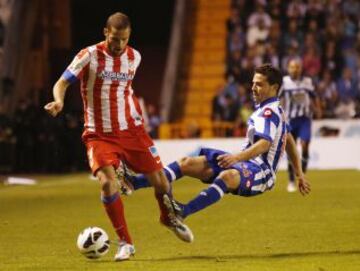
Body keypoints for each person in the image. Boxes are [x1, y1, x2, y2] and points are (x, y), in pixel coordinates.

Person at [44, 12, 193, 261]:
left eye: (124, 39)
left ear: (129, 36)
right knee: (106, 182)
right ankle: (125, 242)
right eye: (114, 39)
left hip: (132, 131)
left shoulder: (135, 57)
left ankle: (168, 218)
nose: (119, 45)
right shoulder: (88, 56)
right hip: (98, 133)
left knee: (162, 183)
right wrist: (58, 100)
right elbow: (62, 82)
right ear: (105, 33)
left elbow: (125, 92)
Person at [119, 64, 311, 222]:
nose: (253, 88)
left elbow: (264, 145)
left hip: (262, 173)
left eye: (259, 84)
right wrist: (300, 174)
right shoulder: (275, 110)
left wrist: (236, 157)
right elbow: (290, 140)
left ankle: (182, 211)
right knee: (187, 163)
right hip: (244, 164)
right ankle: (135, 182)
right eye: (253, 83)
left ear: (274, 88)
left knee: (227, 176)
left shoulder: (268, 112)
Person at [279, 58, 320, 192]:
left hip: (304, 119)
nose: (294, 69)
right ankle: (291, 179)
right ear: (288, 68)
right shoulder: (284, 82)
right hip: (290, 120)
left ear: (301, 69)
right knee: (292, 151)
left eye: (297, 67)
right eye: (292, 67)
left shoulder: (307, 82)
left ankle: (303, 174)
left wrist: (318, 108)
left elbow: (314, 96)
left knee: (305, 145)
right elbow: (278, 98)